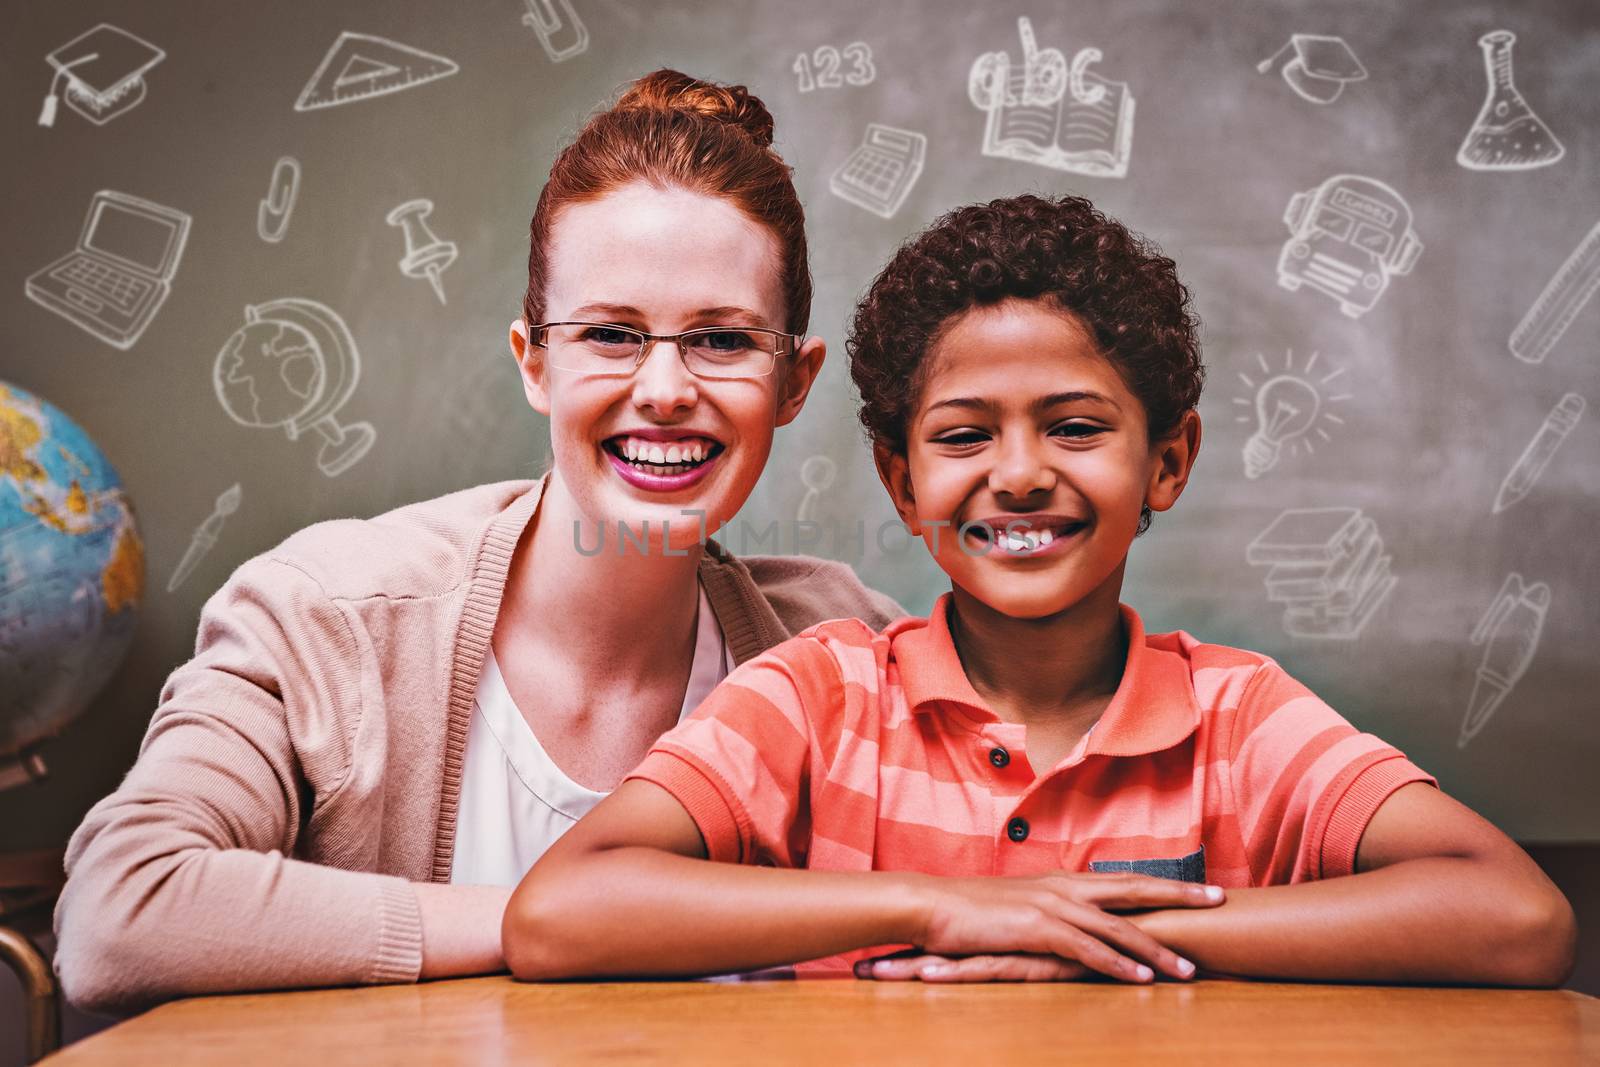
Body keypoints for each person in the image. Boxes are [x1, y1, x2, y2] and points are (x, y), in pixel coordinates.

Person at [504, 194, 1578, 987]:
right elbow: (560, 912)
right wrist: (947, 907)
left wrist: (1090, 935)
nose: (1017, 472)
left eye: (1074, 425)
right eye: (965, 435)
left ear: (1166, 459)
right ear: (902, 479)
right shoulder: (820, 695)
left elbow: (1515, 916)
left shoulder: (1239, 718)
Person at [52, 70, 903, 1014]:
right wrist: (563, 920)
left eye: (723, 340)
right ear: (534, 362)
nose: (665, 387)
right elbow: (120, 909)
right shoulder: (324, 618)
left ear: (793, 383)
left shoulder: (849, 653)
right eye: (611, 334)